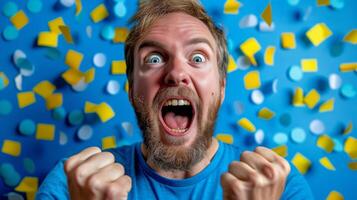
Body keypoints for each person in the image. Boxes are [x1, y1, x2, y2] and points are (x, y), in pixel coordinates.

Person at [36, 0, 314, 199]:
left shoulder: (276, 186)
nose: (177, 73)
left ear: (221, 86)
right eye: (154, 59)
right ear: (133, 90)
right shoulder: (74, 184)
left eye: (197, 58)